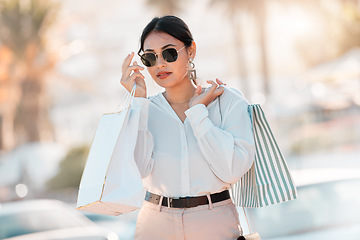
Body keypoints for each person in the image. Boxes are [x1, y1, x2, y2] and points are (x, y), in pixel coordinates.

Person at [120, 15, 255, 240]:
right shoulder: (143, 110)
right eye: (150, 58)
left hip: (213, 221)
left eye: (169, 53)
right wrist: (139, 103)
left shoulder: (228, 102)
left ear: (191, 51)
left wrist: (198, 113)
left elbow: (231, 170)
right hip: (156, 222)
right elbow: (139, 171)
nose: (160, 64)